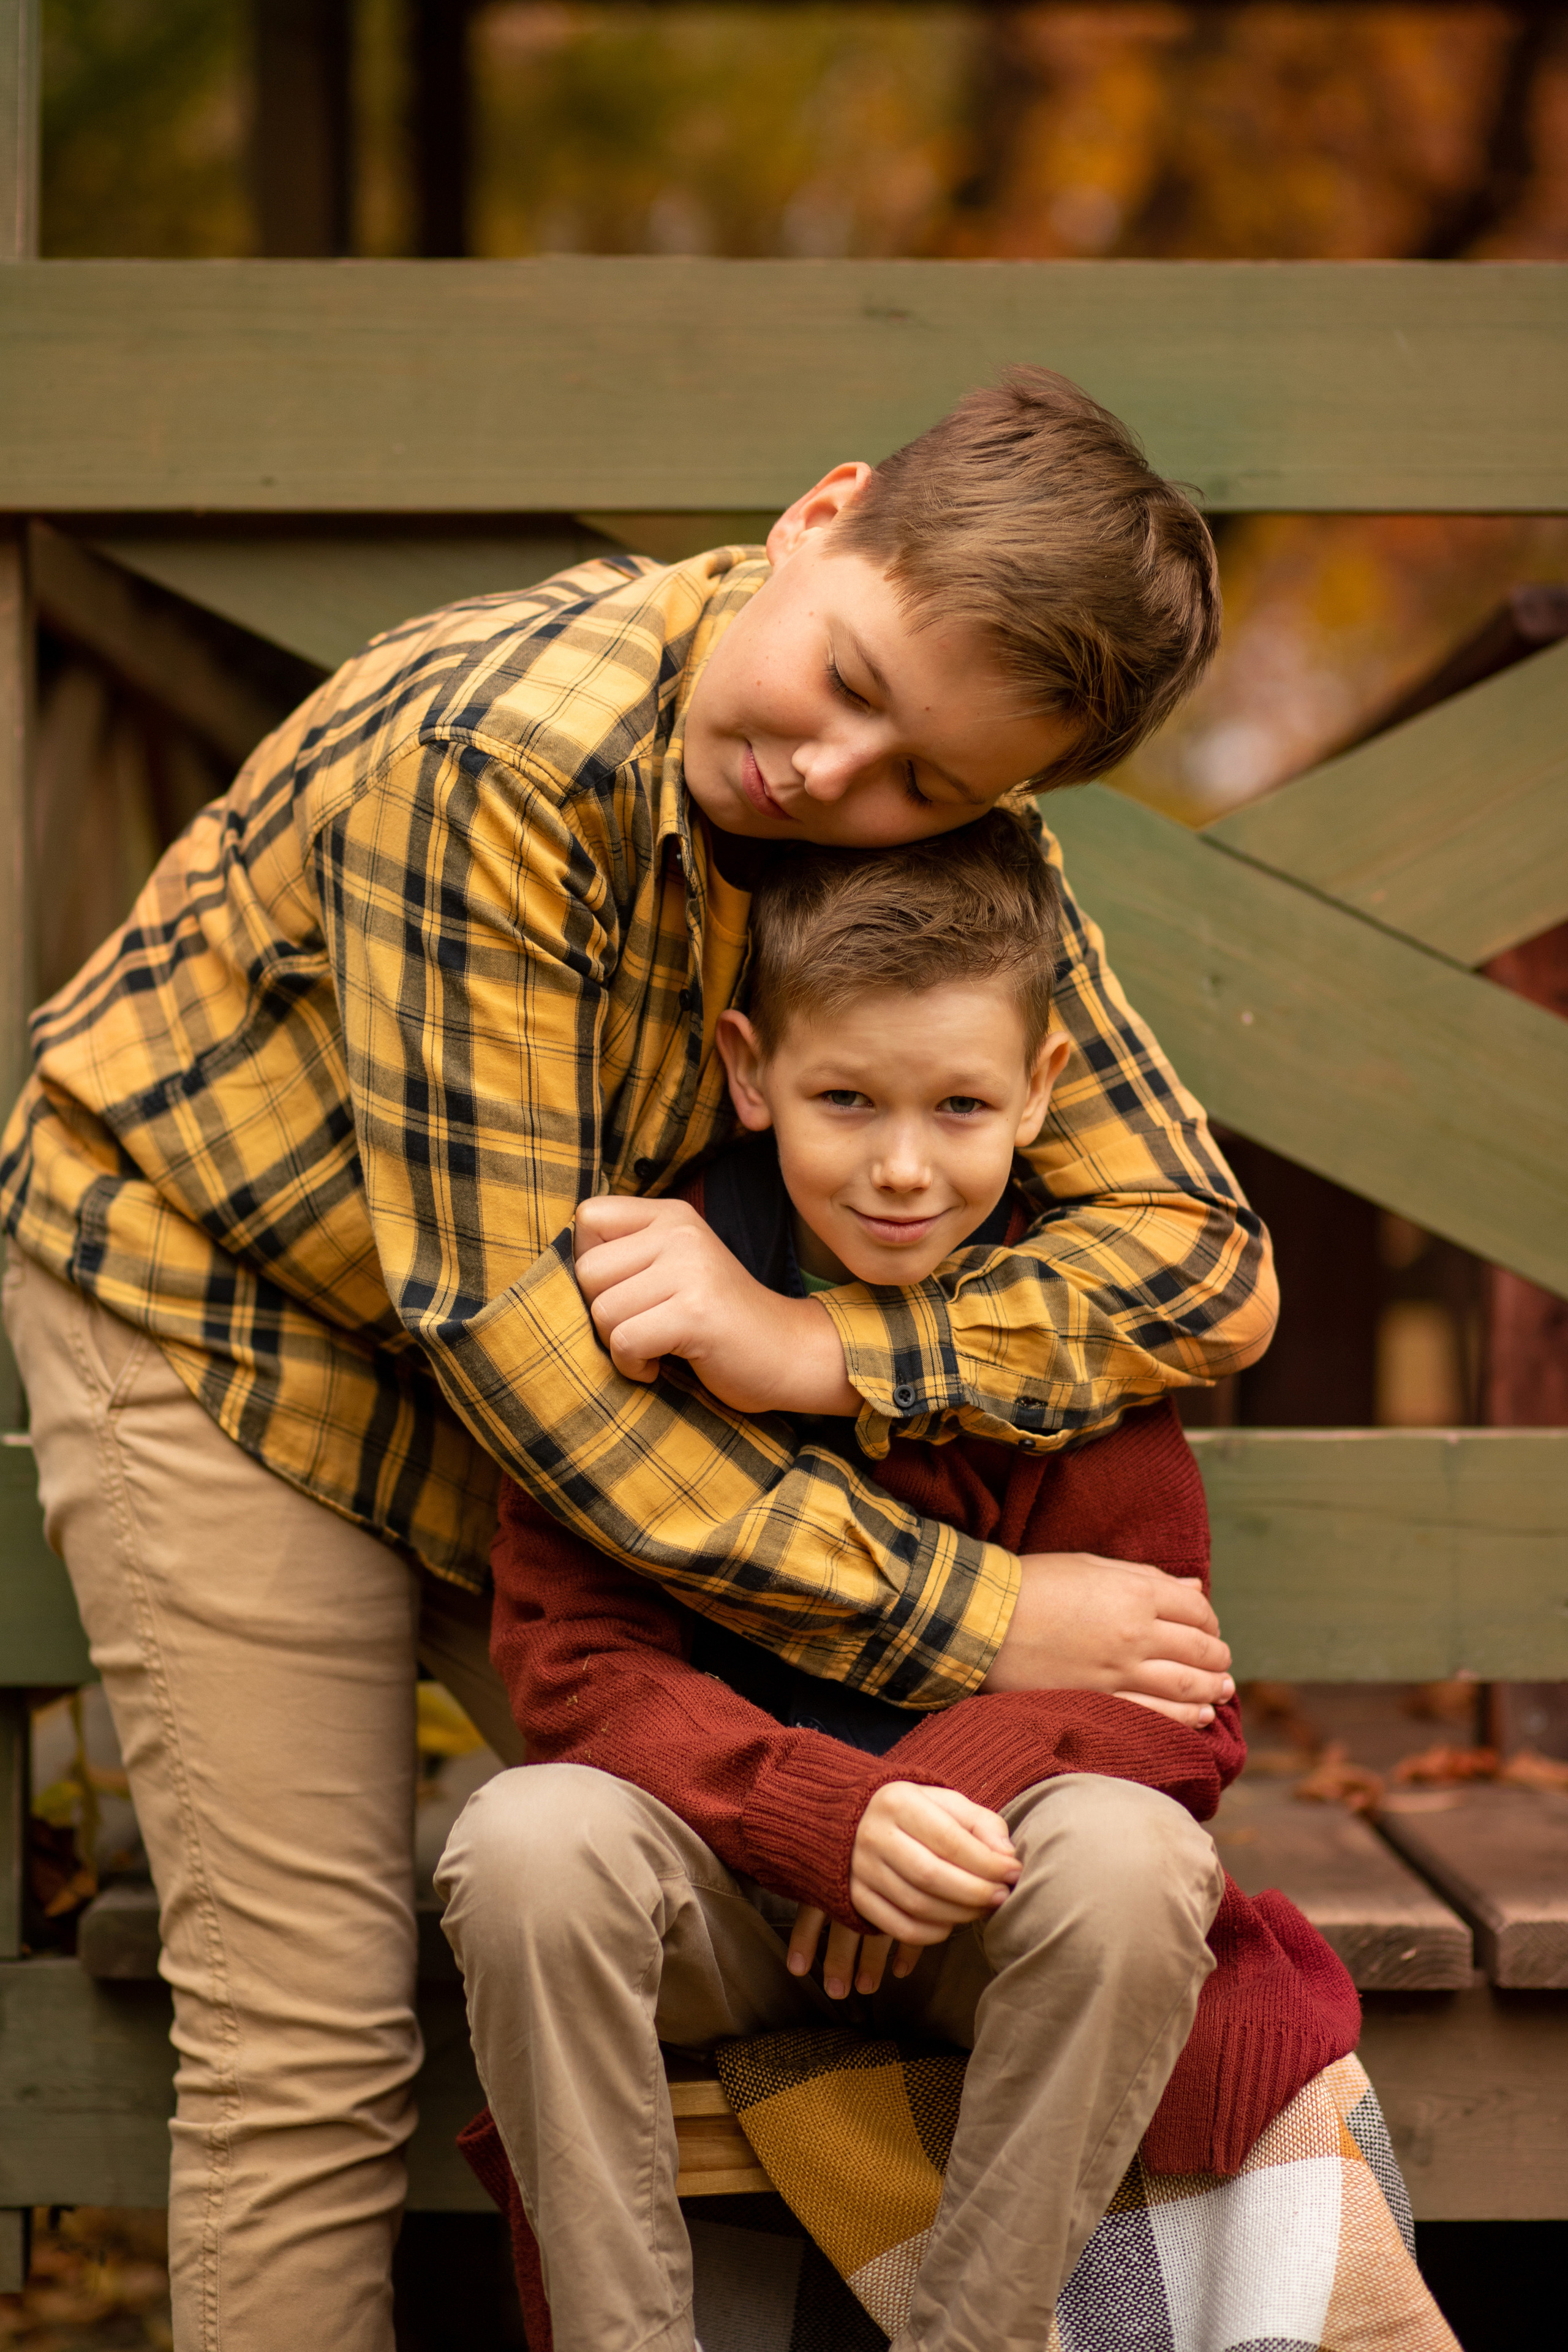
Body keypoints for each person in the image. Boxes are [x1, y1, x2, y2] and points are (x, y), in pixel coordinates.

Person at [0, 367, 1274, 2351]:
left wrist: (821, 1344)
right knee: (319, 2010)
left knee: (744, 1856)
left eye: (926, 783)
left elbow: (1200, 1266)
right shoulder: (485, 762)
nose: (833, 783)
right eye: (845, 680)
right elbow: (530, 1370)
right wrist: (975, 1614)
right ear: (820, 516)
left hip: (602, 1380)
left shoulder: (945, 802)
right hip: (234, 1309)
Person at [439, 814, 1360, 2352]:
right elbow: (574, 1668)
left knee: (1133, 1867)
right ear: (750, 1073)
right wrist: (816, 1816)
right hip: (715, 1904)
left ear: (1042, 1092)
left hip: (973, 1927)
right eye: (843, 1099)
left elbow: (1178, 1713)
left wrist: (932, 1794)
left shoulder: (1074, 1328)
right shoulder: (640, 1295)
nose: (900, 1165)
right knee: (529, 1841)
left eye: (959, 1105)